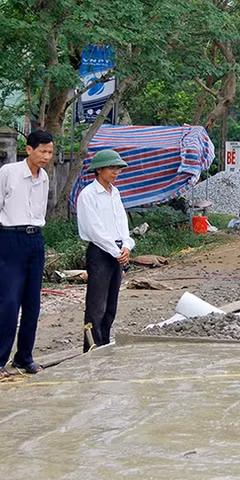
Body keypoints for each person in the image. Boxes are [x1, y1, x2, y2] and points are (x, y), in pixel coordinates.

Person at [0, 130, 54, 378]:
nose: (46, 156)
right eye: (42, 151)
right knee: (9, 302)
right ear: (29, 149)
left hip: (35, 238)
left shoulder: (44, 177)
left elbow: (40, 210)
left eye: (50, 152)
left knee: (33, 304)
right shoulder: (9, 173)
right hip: (11, 238)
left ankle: (24, 357)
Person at [77, 149, 135, 352]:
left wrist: (126, 245)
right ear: (99, 169)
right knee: (96, 305)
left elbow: (121, 223)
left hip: (117, 251)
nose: (115, 172)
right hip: (101, 252)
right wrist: (116, 250)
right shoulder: (88, 195)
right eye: (111, 168)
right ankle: (91, 346)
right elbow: (95, 230)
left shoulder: (114, 193)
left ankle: (104, 342)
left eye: (117, 168)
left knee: (111, 304)